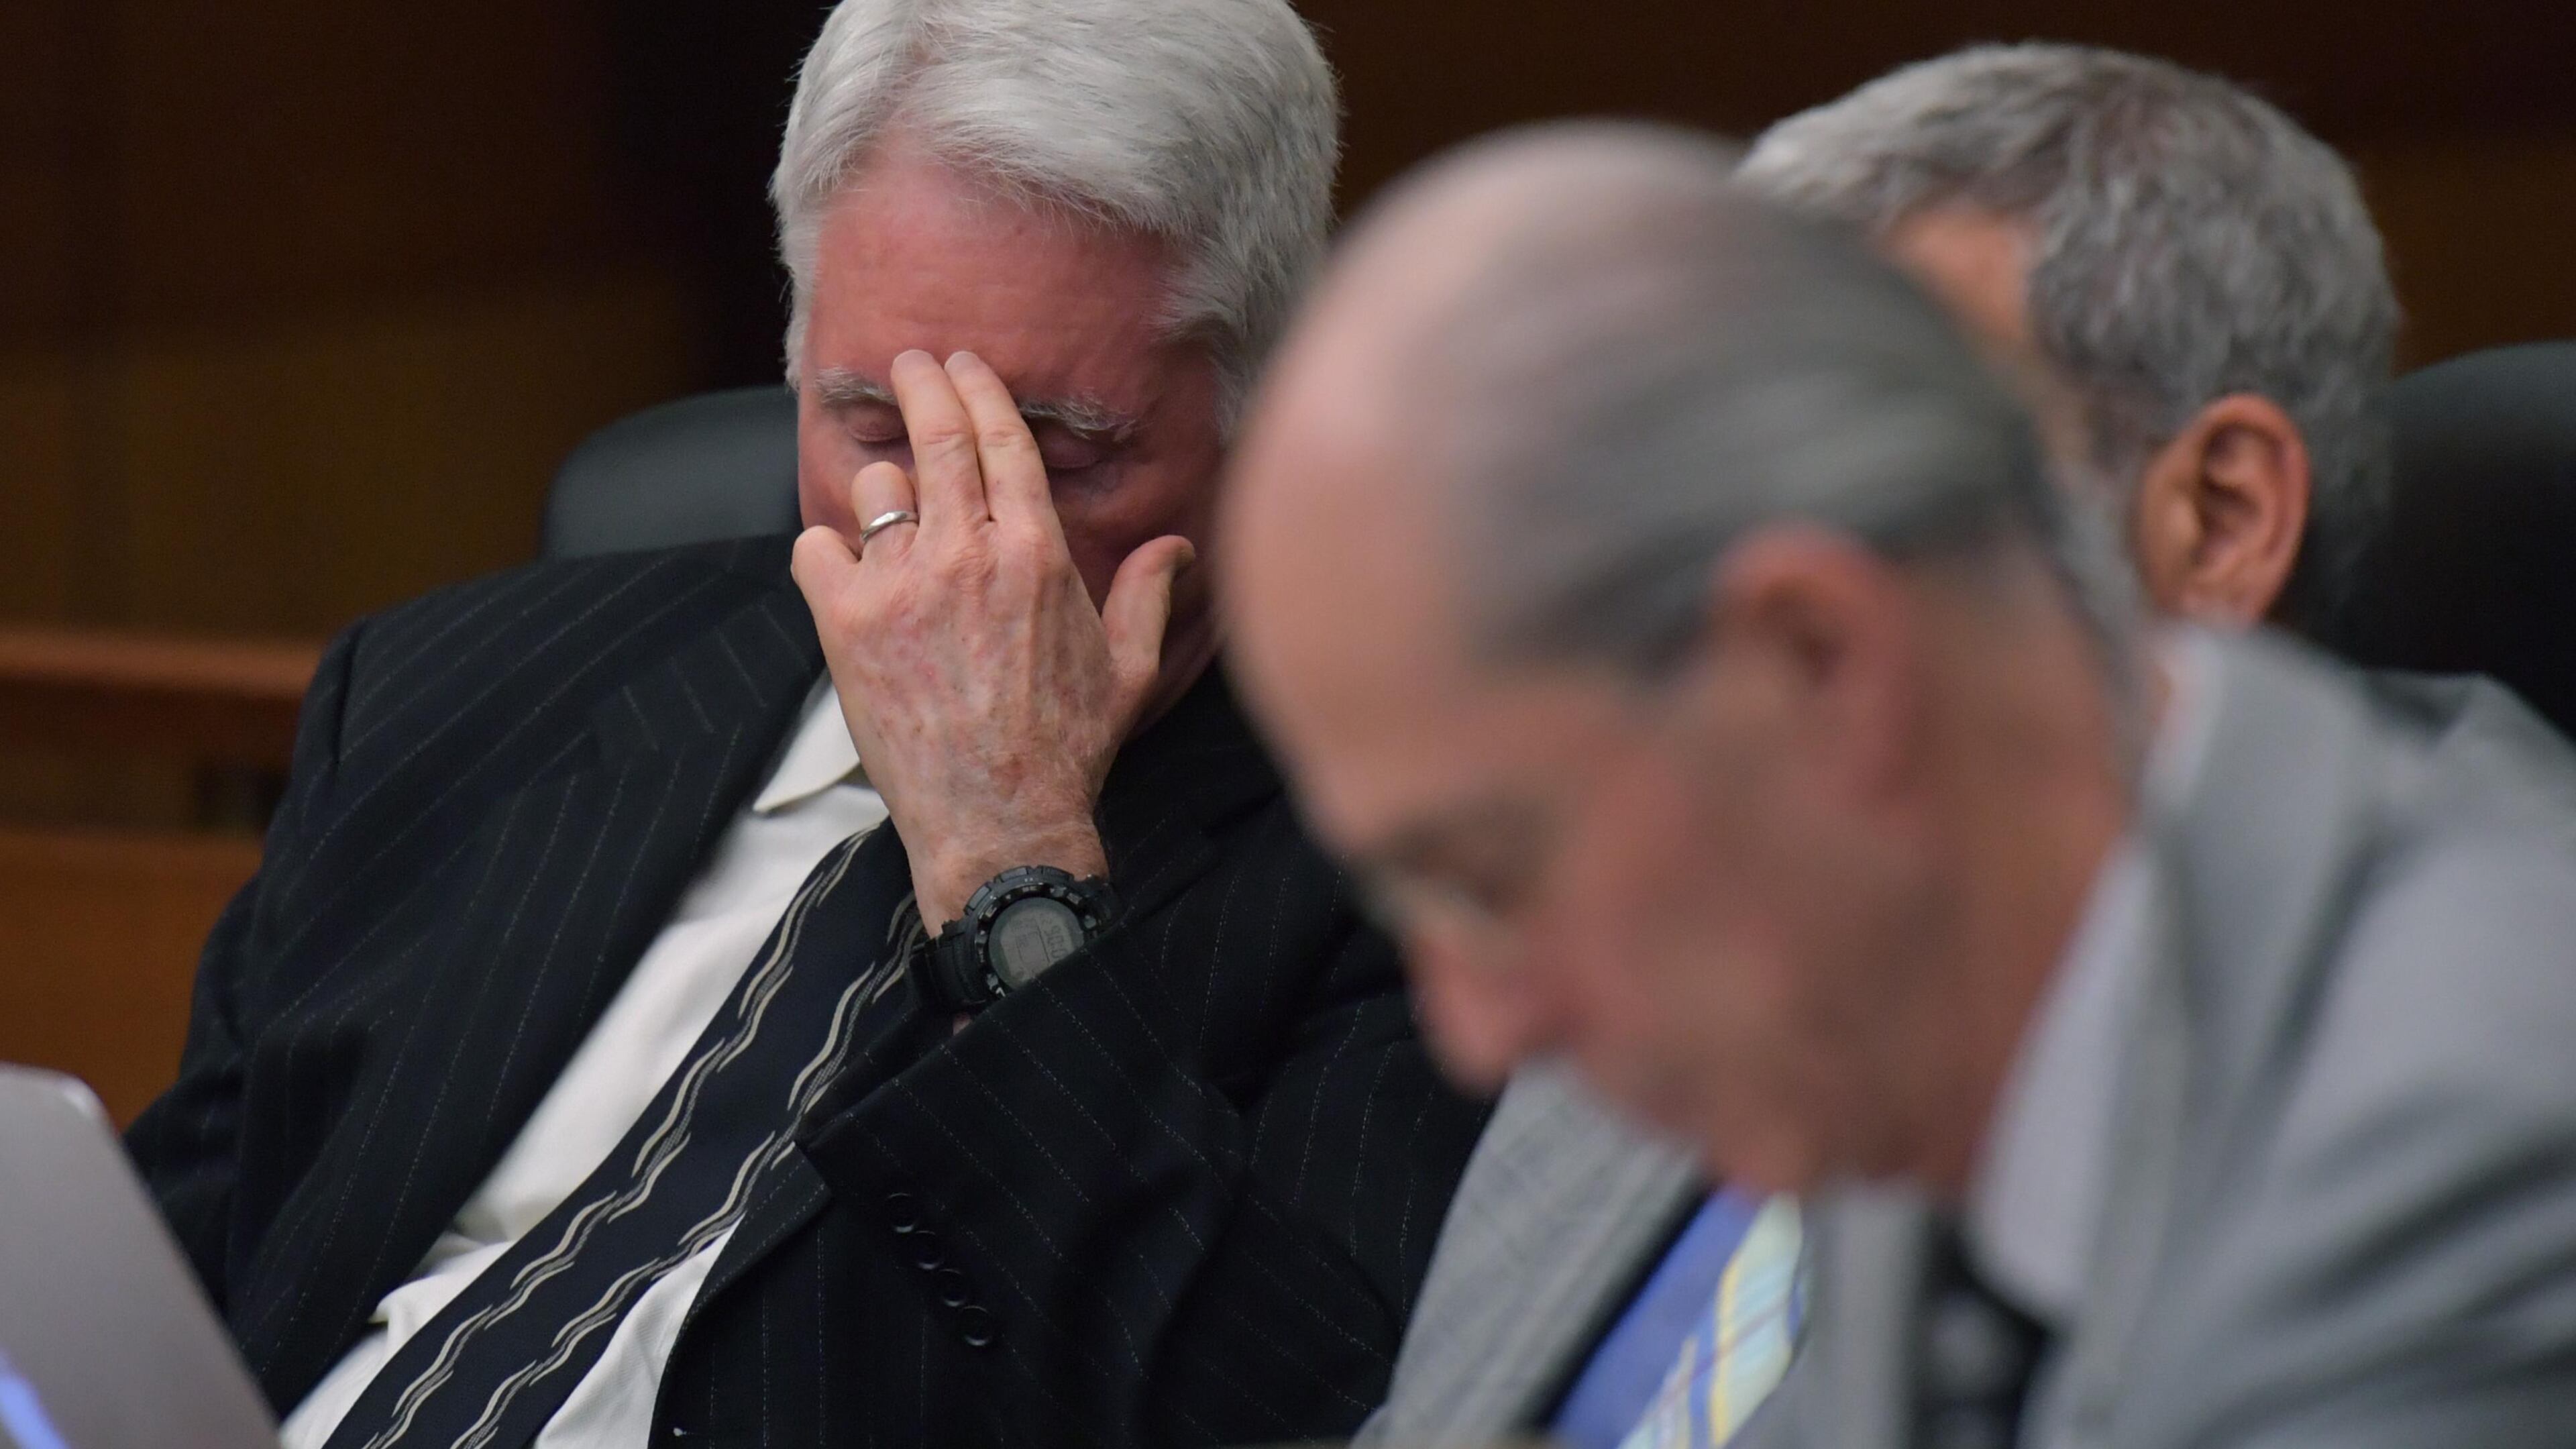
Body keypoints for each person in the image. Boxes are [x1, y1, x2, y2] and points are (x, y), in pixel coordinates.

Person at [123, 2, 1487, 1446]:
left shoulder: (1417, 870)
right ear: (791, 361)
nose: (960, 538)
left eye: (1062, 458)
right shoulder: (443, 696)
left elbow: (1282, 1420)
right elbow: (151, 1306)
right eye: (877, 431)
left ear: (1266, 411)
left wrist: (1006, 855)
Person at [1226, 122, 2576, 1449]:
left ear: (1820, 661)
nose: (1474, 1030)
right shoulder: (1920, 984)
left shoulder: (2474, 1120)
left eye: (1491, 873)